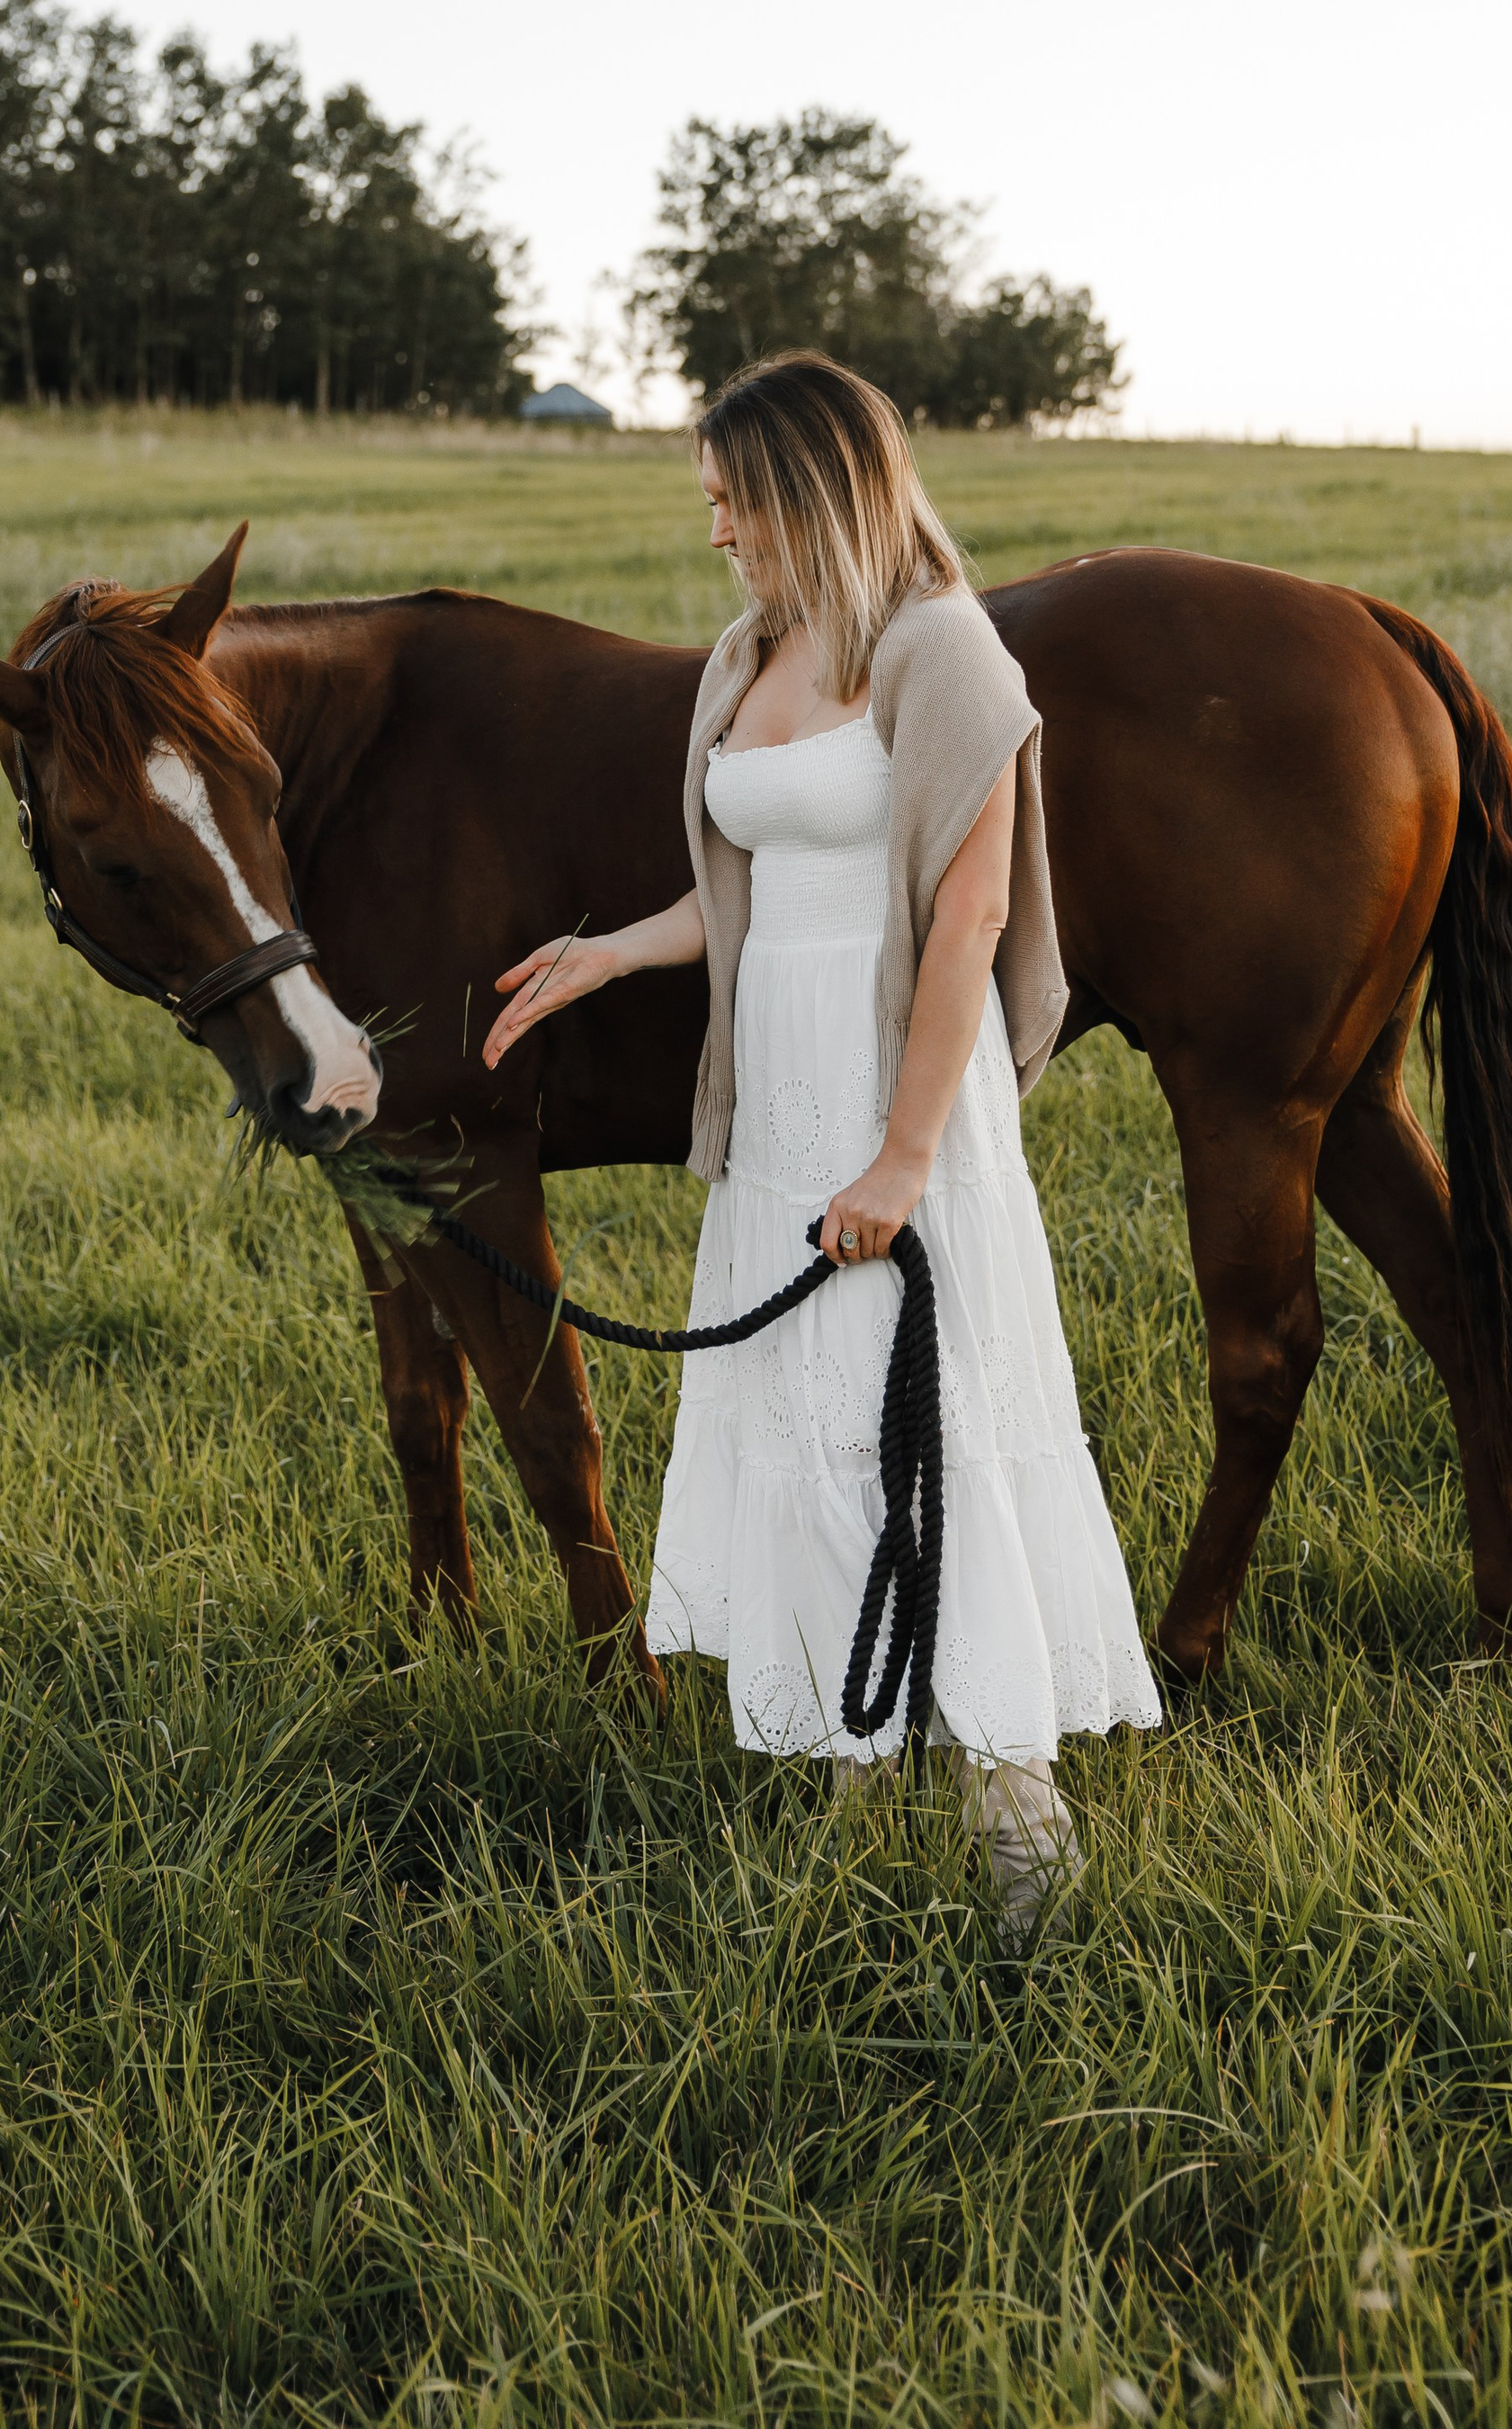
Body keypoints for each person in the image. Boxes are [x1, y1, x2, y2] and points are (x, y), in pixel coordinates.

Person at [483, 350, 1159, 1933]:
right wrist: (612, 953)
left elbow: (968, 918)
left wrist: (905, 1161)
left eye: (733, 499)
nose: (715, 532)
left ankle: (1017, 1814)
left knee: (940, 1416)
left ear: (812, 490)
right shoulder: (749, 656)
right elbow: (744, 890)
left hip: (903, 1095)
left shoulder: (946, 658)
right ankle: (860, 1764)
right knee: (812, 1412)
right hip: (777, 1097)